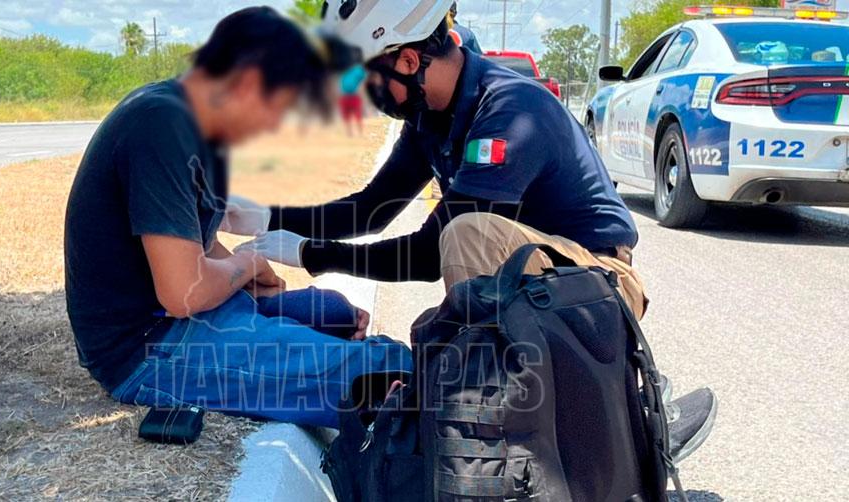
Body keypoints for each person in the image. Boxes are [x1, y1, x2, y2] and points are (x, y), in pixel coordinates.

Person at [231, 0, 716, 463]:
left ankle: (601, 427)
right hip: (543, 285)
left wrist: (314, 255)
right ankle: (516, 421)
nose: (362, 94)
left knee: (466, 237)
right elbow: (372, 209)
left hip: (599, 287)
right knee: (444, 330)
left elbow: (429, 253)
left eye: (365, 77)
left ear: (407, 60)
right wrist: (269, 218)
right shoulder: (429, 117)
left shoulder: (511, 111)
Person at [63, 7, 410, 429]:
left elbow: (195, 242)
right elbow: (184, 291)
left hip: (183, 318)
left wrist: (247, 277)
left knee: (334, 312)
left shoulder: (191, 120)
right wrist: (248, 264)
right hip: (149, 347)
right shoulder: (163, 126)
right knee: (388, 367)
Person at [338, 64, 366, 136]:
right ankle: (350, 132)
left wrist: (361, 91)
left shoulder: (359, 70)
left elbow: (364, 81)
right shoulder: (344, 70)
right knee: (347, 116)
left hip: (353, 96)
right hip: (345, 96)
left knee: (357, 115)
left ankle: (359, 132)